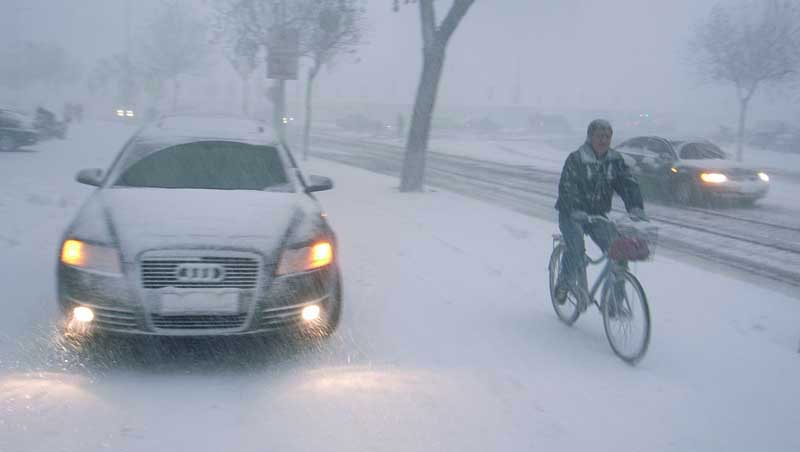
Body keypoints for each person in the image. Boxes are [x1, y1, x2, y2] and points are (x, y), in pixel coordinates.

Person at [553, 119, 646, 307]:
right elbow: (567, 187)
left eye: (607, 136)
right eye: (599, 136)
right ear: (590, 137)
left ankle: (614, 303)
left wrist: (635, 206)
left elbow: (627, 184)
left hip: (597, 216)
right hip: (571, 214)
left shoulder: (615, 160)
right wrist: (574, 209)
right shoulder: (576, 159)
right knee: (576, 249)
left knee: (620, 252)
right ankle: (564, 283)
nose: (603, 140)